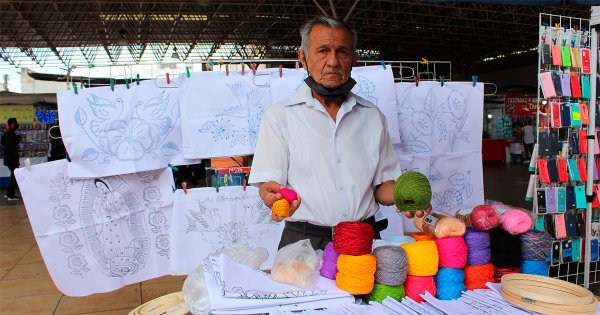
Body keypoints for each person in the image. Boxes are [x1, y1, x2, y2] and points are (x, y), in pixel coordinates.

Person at [249, 16, 426, 251]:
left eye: (342, 52)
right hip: (304, 242)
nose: (332, 61)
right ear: (303, 57)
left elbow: (381, 187)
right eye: (322, 51)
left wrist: (407, 194)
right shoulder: (280, 117)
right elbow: (271, 183)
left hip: (362, 239)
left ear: (354, 59)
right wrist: (268, 193)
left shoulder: (372, 116)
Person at [1, 118, 20, 200]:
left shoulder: (6, 133)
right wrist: (17, 141)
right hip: (12, 159)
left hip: (9, 159)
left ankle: (9, 193)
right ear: (10, 124)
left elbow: (4, 143)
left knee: (13, 176)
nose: (15, 124)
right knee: (14, 176)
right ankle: (10, 195)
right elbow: (11, 147)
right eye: (14, 123)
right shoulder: (10, 134)